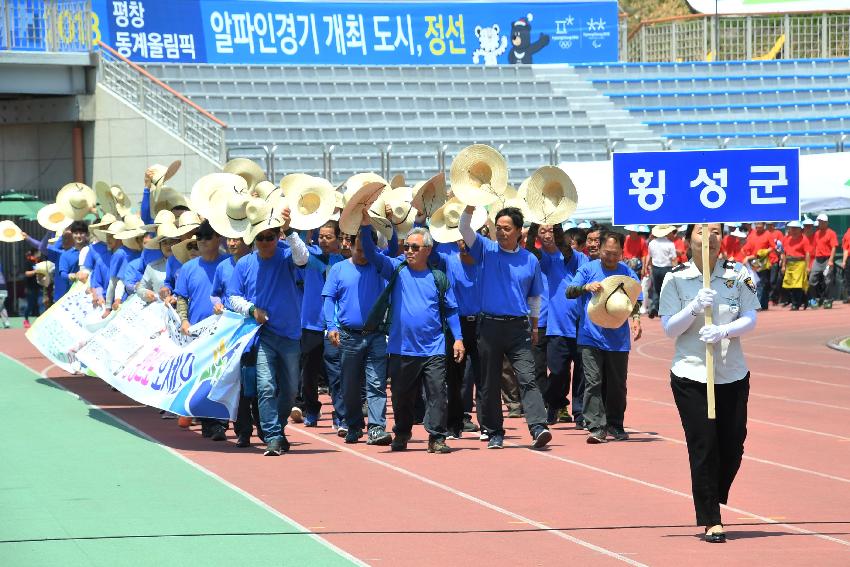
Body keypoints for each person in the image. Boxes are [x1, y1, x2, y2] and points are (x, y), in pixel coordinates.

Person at [659, 223, 760, 543]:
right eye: (702, 231)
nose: (710, 237)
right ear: (688, 240)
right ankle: (711, 518)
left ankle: (711, 492)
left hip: (731, 372)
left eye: (716, 231)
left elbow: (751, 317)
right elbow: (670, 328)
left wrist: (724, 331)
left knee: (733, 445)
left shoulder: (738, 272)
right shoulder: (675, 277)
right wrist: (693, 308)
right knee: (704, 444)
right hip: (691, 374)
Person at [361, 219, 464, 453]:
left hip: (434, 348)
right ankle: (403, 431)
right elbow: (370, 253)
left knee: (438, 393)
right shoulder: (396, 270)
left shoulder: (438, 278)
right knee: (401, 397)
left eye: (414, 247)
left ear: (427, 250)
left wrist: (457, 338)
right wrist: (366, 226)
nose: (408, 251)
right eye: (406, 246)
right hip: (401, 348)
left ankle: (437, 437)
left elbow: (451, 310)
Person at [459, 206, 552, 450]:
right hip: (489, 326)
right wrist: (469, 207)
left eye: (506, 228)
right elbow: (464, 229)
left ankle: (538, 426)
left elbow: (534, 298)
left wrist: (534, 328)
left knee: (527, 377)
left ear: (519, 231)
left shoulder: (530, 259)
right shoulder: (486, 250)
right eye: (498, 228)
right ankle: (494, 432)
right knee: (489, 382)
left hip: (518, 329)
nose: (501, 232)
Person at [228, 207, 309, 456]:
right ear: (254, 239)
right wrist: (252, 309)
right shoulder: (244, 264)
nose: (265, 243)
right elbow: (233, 296)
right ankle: (272, 436)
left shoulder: (287, 255)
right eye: (260, 238)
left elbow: (303, 258)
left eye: (270, 237)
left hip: (291, 334)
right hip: (262, 335)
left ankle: (278, 427)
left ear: (277, 238)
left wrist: (289, 229)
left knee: (291, 390)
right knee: (265, 387)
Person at [567, 231, 642, 443]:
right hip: (590, 337)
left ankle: (615, 424)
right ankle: (596, 426)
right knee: (593, 382)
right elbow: (569, 291)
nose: (610, 257)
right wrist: (585, 287)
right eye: (607, 253)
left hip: (618, 339)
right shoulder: (588, 269)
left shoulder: (627, 273)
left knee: (617, 384)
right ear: (599, 249)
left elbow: (635, 300)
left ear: (621, 253)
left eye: (615, 253)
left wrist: (636, 319)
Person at [322, 228, 387, 443]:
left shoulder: (380, 267)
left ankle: (377, 427)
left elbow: (395, 247)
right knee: (349, 386)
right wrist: (331, 326)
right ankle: (354, 424)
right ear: (349, 245)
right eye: (359, 249)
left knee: (376, 383)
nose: (362, 254)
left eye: (367, 250)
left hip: (376, 335)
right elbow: (329, 299)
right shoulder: (339, 269)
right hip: (348, 337)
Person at [535, 223, 588, 426]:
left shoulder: (581, 260)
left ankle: (579, 412)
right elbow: (540, 251)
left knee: (581, 373)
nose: (569, 247)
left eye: (572, 244)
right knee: (557, 372)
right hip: (557, 326)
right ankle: (554, 403)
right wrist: (542, 233)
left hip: (581, 326)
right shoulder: (549, 260)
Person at [212, 234, 261, 447]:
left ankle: (264, 426)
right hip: (232, 334)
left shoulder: (259, 262)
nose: (232, 244)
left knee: (260, 382)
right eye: (229, 240)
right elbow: (216, 294)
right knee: (238, 382)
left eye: (237, 240)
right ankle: (243, 430)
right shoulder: (223, 267)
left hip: (257, 330)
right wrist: (217, 305)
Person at [296, 221, 345, 427]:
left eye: (329, 237)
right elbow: (296, 247)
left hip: (335, 325)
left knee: (335, 372)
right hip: (311, 323)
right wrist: (297, 226)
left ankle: (340, 414)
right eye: (321, 236)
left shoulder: (344, 261)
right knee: (309, 372)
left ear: (338, 239)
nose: (323, 240)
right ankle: (311, 408)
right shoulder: (310, 256)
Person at [741, 222, 776, 311]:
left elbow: (773, 247)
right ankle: (762, 304)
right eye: (756, 224)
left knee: (762, 283)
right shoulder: (752, 234)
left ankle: (760, 304)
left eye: (759, 224)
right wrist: (744, 253)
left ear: (763, 225)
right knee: (756, 283)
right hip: (752, 262)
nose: (757, 226)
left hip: (762, 262)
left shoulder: (768, 234)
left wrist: (764, 252)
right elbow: (747, 247)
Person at [647, 225, 678, 318]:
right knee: (666, 290)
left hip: (656, 268)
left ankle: (654, 307)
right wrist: (675, 270)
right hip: (666, 268)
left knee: (656, 289)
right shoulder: (670, 243)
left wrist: (648, 267)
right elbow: (673, 259)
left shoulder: (652, 243)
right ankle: (664, 309)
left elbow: (651, 257)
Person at [808, 213, 838, 309]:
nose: (820, 223)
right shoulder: (816, 234)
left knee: (828, 281)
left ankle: (828, 300)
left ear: (826, 223)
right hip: (817, 260)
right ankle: (815, 299)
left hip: (827, 259)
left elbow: (833, 247)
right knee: (812, 280)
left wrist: (831, 260)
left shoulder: (831, 233)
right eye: (819, 222)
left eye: (821, 222)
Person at [780, 221, 811, 311]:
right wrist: (783, 266)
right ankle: (804, 301)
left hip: (800, 263)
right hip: (790, 264)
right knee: (789, 285)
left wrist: (808, 266)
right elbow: (784, 253)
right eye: (791, 228)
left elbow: (807, 253)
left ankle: (795, 304)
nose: (793, 230)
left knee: (797, 285)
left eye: (795, 228)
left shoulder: (804, 239)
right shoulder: (786, 239)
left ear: (800, 229)